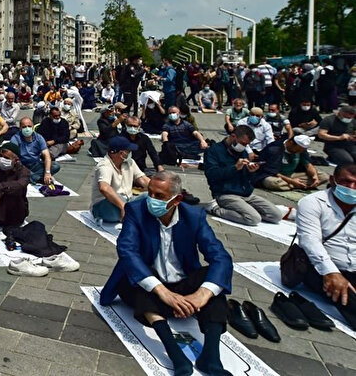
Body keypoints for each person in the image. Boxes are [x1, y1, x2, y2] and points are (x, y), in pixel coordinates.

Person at [100, 172, 233, 376]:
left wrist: (202, 294)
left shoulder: (194, 216)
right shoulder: (136, 210)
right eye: (150, 193)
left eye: (159, 196)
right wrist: (163, 292)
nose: (152, 199)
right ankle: (174, 354)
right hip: (152, 286)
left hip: (182, 283)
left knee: (214, 282)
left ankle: (211, 357)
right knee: (134, 277)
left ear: (176, 200)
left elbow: (220, 256)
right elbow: (127, 250)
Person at [294, 163, 356, 330]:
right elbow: (310, 240)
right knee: (349, 301)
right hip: (321, 268)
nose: (351, 188)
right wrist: (331, 272)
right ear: (332, 180)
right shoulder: (312, 202)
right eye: (346, 181)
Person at [204, 125, 284, 226]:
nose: (244, 146)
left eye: (247, 144)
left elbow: (248, 178)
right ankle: (215, 209)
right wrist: (235, 168)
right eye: (243, 143)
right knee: (253, 219)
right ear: (233, 136)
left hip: (245, 193)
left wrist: (251, 171)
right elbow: (212, 175)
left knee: (276, 216)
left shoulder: (242, 152)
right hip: (225, 193)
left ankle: (245, 210)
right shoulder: (214, 150)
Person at [90, 137, 149, 223]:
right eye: (128, 151)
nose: (130, 153)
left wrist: (160, 191)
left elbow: (143, 179)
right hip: (107, 204)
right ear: (121, 153)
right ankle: (133, 214)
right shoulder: (105, 166)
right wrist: (122, 206)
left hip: (128, 201)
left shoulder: (130, 162)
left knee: (150, 197)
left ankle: (131, 213)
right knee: (118, 197)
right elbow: (104, 188)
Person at [254, 134, 329, 192]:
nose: (298, 152)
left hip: (292, 175)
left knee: (323, 177)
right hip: (275, 176)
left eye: (301, 151)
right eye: (297, 150)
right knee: (273, 182)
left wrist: (314, 176)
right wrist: (292, 181)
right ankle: (298, 185)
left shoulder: (301, 150)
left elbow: (308, 165)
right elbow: (271, 171)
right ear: (291, 143)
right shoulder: (274, 149)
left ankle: (294, 185)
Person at [10, 117, 58, 185]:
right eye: (24, 127)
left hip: (35, 164)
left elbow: (47, 155)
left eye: (29, 126)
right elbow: (13, 157)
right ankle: (37, 178)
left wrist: (47, 172)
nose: (27, 129)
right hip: (22, 165)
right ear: (20, 128)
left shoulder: (39, 138)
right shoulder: (15, 138)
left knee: (55, 166)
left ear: (32, 126)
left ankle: (31, 177)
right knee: (17, 169)